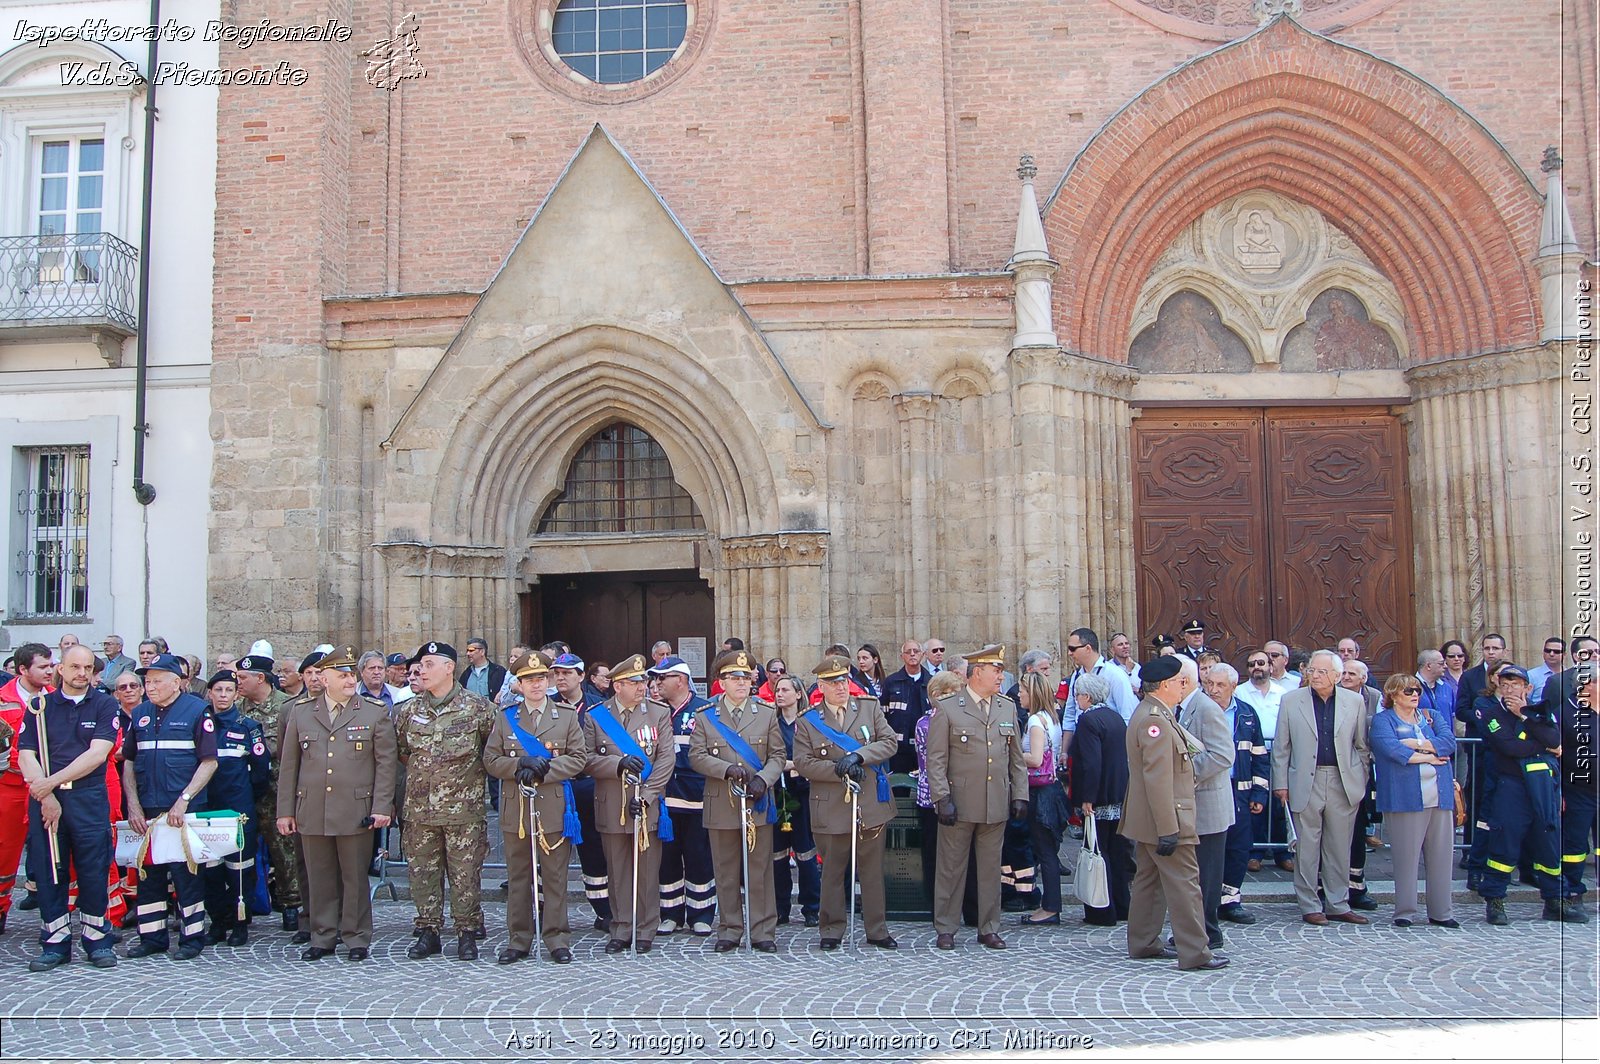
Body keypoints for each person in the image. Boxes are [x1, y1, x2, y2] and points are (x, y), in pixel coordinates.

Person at [275, 646, 397, 961]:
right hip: (312, 808)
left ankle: (356, 937)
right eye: (342, 676)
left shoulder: (373, 712)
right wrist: (285, 811)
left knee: (355, 877)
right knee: (319, 876)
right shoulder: (301, 712)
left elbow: (386, 764)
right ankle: (323, 935)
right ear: (324, 678)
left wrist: (382, 806)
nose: (349, 681)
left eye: (351, 675)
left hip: (355, 809)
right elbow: (289, 766)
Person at [15, 644, 120, 970]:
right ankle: (55, 942)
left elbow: (97, 753)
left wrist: (51, 783)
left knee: (93, 868)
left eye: (88, 668)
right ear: (61, 668)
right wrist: (45, 794)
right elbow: (26, 754)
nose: (82, 674)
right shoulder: (40, 707)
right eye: (75, 667)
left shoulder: (104, 704)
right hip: (46, 801)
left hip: (87, 797)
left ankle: (96, 940)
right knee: (49, 870)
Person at [482, 651, 588, 963]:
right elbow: (490, 760)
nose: (536, 685)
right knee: (519, 879)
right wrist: (519, 765)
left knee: (555, 877)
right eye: (529, 680)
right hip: (517, 810)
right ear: (519, 684)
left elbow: (578, 758)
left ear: (550, 681)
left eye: (541, 678)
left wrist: (544, 770)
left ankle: (557, 938)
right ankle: (519, 939)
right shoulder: (507, 717)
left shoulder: (566, 716)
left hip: (553, 807)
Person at [1122, 655, 1226, 971]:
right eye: (1181, 682)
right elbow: (1158, 778)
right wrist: (1169, 826)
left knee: (1148, 881)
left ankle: (1143, 941)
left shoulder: (1152, 714)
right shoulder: (1155, 720)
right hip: (1165, 816)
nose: (1184, 687)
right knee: (1185, 884)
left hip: (1149, 816)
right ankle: (1195, 951)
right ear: (1166, 685)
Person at [396, 641, 496, 961]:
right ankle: (428, 930)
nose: (420, 671)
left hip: (463, 812)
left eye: (427, 665)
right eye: (419, 666)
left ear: (449, 668)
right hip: (420, 811)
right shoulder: (409, 711)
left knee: (465, 874)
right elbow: (403, 753)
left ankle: (467, 931)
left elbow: (491, 751)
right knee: (422, 872)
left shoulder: (478, 708)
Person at [791, 654, 898, 950]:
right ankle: (831, 928)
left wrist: (859, 756)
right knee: (833, 871)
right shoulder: (809, 720)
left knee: (872, 870)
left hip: (869, 803)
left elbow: (889, 742)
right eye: (833, 682)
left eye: (844, 680)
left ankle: (877, 929)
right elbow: (803, 762)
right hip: (831, 803)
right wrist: (838, 770)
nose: (840, 687)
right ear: (821, 686)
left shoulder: (868, 708)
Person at [926, 644, 1028, 951]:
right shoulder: (948, 708)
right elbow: (937, 759)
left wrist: (1020, 794)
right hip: (959, 801)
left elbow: (1016, 758)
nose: (1000, 676)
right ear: (977, 673)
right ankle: (946, 927)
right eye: (995, 671)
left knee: (990, 868)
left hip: (995, 800)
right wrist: (941, 797)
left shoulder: (1006, 707)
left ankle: (989, 927)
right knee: (951, 868)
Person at [121, 653, 219, 960]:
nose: (149, 686)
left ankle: (192, 938)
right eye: (147, 681)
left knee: (185, 875)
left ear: (176, 683)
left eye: (157, 681)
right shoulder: (140, 714)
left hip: (182, 810)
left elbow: (209, 762)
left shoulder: (196, 710)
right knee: (148, 874)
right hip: (148, 809)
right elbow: (129, 762)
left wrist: (184, 800)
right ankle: (152, 937)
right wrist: (133, 806)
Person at [690, 650, 784, 953]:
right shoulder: (706, 717)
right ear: (722, 682)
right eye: (734, 677)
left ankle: (762, 930)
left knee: (759, 869)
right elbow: (696, 756)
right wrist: (726, 769)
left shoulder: (767, 714)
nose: (742, 682)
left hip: (757, 801)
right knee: (726, 870)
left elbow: (778, 756)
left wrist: (763, 780)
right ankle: (730, 928)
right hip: (721, 801)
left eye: (746, 676)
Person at [1271, 649, 1372, 926]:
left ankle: (1338, 903)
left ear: (1337, 676)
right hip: (1305, 780)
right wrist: (1280, 783)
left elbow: (1361, 745)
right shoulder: (1291, 701)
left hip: (1342, 781)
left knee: (1339, 845)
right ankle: (1309, 904)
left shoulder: (1354, 702)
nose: (1314, 675)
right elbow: (1281, 747)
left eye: (1321, 671)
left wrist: (1360, 778)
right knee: (1307, 846)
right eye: (1312, 670)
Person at [583, 653, 674, 954]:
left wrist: (648, 796)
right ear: (617, 686)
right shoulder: (596, 715)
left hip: (646, 802)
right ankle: (621, 927)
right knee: (618, 868)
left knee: (647, 868)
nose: (642, 687)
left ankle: (646, 927)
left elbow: (665, 759)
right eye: (635, 682)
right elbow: (585, 759)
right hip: (611, 802)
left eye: (644, 681)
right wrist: (617, 763)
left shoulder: (658, 713)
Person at [1476, 664, 1579, 924]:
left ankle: (1556, 900)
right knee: (1505, 842)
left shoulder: (1537, 711)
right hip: (1511, 786)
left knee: (1548, 841)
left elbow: (1555, 740)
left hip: (1543, 786)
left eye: (1516, 684)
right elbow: (1509, 747)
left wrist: (1523, 716)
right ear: (1498, 685)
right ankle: (1495, 900)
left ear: (1527, 687)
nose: (1510, 689)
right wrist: (1542, 747)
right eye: (1505, 684)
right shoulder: (1490, 714)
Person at [1371, 672, 1458, 928]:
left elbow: (1448, 742)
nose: (1414, 695)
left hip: (1438, 796)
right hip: (1405, 797)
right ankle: (1405, 911)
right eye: (1408, 691)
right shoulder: (1382, 720)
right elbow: (1393, 750)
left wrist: (1417, 743)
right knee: (1406, 857)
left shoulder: (1432, 716)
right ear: (1393, 694)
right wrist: (1430, 755)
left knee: (1442, 857)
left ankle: (1442, 911)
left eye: (1416, 690)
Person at [200, 670, 271, 946]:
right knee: (211, 868)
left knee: (240, 868)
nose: (223, 696)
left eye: (228, 690)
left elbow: (261, 770)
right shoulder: (201, 724)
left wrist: (248, 797)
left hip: (238, 807)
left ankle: (240, 923)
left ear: (236, 693)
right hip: (207, 806)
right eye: (218, 690)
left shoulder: (248, 726)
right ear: (210, 693)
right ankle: (218, 921)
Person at [234, 654, 302, 933]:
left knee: (284, 851)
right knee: (242, 851)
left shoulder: (288, 707)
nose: (237, 683)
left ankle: (291, 905)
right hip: (244, 791)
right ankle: (243, 905)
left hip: (276, 791)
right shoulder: (236, 710)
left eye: (242, 679)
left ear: (260, 678)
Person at [650, 655, 717, 937]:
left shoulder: (705, 710)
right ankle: (671, 913)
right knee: (667, 859)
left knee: (699, 857)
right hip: (665, 800)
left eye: (662, 679)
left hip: (696, 797)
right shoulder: (654, 711)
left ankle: (701, 913)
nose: (656, 684)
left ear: (681, 680)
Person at [549, 653, 612, 931]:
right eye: (557, 673)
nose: (561, 678)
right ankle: (547, 914)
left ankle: (604, 910)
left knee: (594, 852)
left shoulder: (599, 707)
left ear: (581, 676)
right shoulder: (547, 707)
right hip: (554, 786)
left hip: (588, 786)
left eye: (567, 673)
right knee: (549, 852)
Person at [1176, 658, 1234, 949]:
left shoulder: (1207, 708)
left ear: (1183, 681)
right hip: (1191, 805)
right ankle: (1194, 930)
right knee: (1193, 873)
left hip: (1209, 805)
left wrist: (1186, 771)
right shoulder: (1183, 708)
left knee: (1207, 876)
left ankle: (1208, 932)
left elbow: (1223, 755)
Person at [1067, 673, 1134, 925]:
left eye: (1077, 696)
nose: (1077, 700)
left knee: (1098, 851)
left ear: (1086, 696)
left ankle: (1102, 910)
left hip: (1100, 796)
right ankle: (1122, 905)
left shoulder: (1088, 720)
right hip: (1119, 792)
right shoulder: (1115, 717)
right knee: (1117, 852)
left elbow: (1091, 762)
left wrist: (1087, 798)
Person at [1204, 663, 1268, 925]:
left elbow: (1259, 757)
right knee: (1210, 847)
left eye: (1220, 685)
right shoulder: (1197, 710)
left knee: (1238, 847)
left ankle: (1231, 900)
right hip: (1207, 789)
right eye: (1210, 684)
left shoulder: (1247, 714)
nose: (1214, 690)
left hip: (1238, 791)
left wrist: (1259, 793)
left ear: (1233, 686)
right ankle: (1207, 900)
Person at [0, 643, 55, 931]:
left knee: (53, 851)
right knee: (4, 851)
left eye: (51, 665)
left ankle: (55, 914)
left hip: (49, 787)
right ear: (23, 670)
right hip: (9, 786)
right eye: (43, 667)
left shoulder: (57, 699)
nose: (50, 671)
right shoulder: (2, 699)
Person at [769, 675, 820, 929]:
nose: (780, 694)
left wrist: (795, 765)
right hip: (777, 793)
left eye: (785, 689)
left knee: (805, 852)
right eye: (777, 690)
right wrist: (787, 765)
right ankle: (780, 908)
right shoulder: (772, 722)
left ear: (798, 694)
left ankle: (812, 907)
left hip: (802, 793)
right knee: (777, 854)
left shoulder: (808, 722)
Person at [1017, 671, 1068, 925]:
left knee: (1044, 851)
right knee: (1048, 851)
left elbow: (1036, 759)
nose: (1019, 695)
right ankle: (1051, 905)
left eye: (1022, 691)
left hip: (1041, 793)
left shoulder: (1036, 721)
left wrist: (1012, 752)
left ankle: (1050, 907)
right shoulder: (1051, 717)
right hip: (1052, 789)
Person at [915, 670, 963, 914]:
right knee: (936, 853)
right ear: (936, 696)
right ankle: (938, 906)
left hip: (960, 794)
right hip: (933, 796)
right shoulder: (927, 723)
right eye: (951, 693)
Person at [1558, 666, 1598, 913]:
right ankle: (1571, 891)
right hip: (1577, 791)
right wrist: (1559, 791)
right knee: (1574, 846)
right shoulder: (1565, 714)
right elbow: (1557, 756)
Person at [880, 641, 933, 774]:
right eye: (908, 652)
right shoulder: (891, 682)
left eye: (916, 651)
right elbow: (882, 715)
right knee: (898, 790)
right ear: (902, 656)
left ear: (922, 655)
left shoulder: (932, 682)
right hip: (898, 749)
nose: (912, 654)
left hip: (926, 747)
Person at [1528, 638, 1565, 703]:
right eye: (1547, 650)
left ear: (1564, 654)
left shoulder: (1571, 676)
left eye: (1556, 651)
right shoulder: (1531, 675)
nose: (1551, 654)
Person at [1439, 639, 1469, 707]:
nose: (1456, 659)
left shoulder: (1472, 676)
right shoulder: (1440, 679)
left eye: (1460, 656)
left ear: (1464, 658)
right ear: (1444, 658)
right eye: (1451, 656)